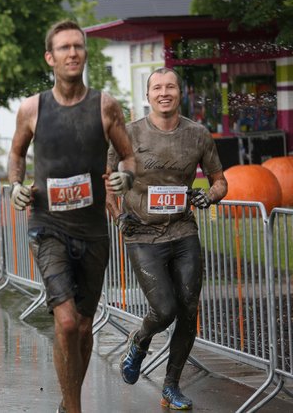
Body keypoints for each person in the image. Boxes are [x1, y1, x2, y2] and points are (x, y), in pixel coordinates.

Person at [7, 20, 136, 413]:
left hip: (93, 229)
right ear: (50, 57)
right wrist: (15, 184)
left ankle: (68, 402)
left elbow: (129, 157)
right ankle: (75, 409)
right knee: (65, 322)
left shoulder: (105, 105)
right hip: (48, 226)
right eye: (64, 47)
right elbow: (16, 154)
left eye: (78, 46)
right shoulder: (32, 108)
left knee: (82, 326)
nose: (73, 53)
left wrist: (126, 177)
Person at [106, 67, 228, 410]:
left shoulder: (198, 134)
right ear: (147, 95)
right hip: (142, 233)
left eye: (170, 87)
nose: (164, 93)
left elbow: (220, 181)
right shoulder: (127, 134)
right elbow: (106, 181)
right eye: (157, 88)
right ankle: (139, 340)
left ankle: (171, 386)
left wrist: (210, 196)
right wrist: (118, 216)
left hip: (183, 231)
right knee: (164, 309)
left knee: (188, 310)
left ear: (180, 93)